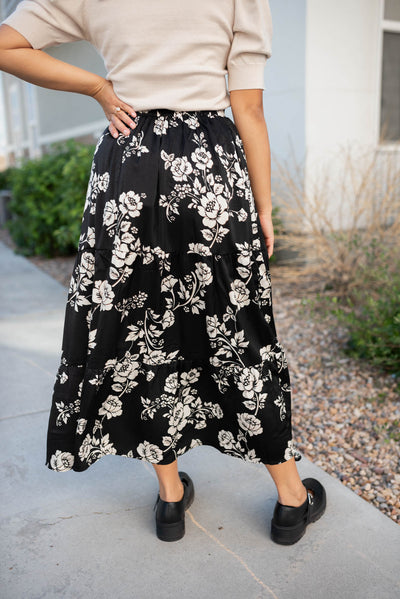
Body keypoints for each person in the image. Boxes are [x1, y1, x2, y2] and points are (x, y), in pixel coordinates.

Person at [0, 0, 326, 545]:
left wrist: (100, 90)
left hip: (127, 169)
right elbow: (249, 110)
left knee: (140, 328)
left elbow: (7, 46)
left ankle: (171, 498)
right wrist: (264, 210)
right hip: (209, 170)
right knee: (236, 330)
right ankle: (291, 500)